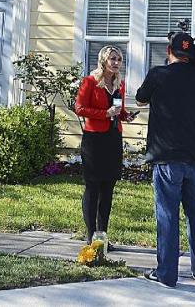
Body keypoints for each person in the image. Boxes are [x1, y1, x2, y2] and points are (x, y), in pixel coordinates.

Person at [135, 30, 195, 289]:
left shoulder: (159, 75)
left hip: (167, 157)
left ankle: (166, 274)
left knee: (168, 214)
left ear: (169, 52)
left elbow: (140, 98)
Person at [74, 45, 135, 246]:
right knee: (93, 186)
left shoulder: (119, 84)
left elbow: (119, 110)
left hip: (112, 139)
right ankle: (91, 235)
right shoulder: (90, 82)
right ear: (103, 61)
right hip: (94, 140)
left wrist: (126, 116)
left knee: (108, 188)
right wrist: (104, 114)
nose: (116, 63)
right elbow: (80, 108)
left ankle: (103, 237)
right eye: (112, 59)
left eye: (119, 59)